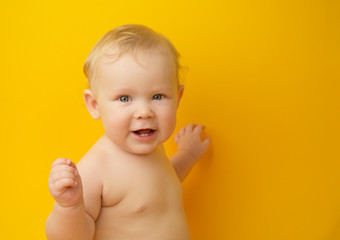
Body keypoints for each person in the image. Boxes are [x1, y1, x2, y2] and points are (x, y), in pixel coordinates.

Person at [45, 24, 210, 240]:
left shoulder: (152, 146)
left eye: (158, 96)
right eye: (124, 98)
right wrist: (69, 206)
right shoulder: (97, 168)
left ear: (177, 99)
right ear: (94, 105)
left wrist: (188, 154)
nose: (144, 112)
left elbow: (161, 186)